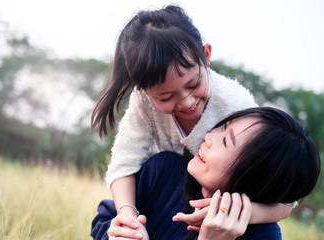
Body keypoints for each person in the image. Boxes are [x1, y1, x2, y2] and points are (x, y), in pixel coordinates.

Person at [90, 4, 292, 232]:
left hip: (223, 207)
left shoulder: (237, 106)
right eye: (165, 96)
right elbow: (124, 163)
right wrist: (130, 219)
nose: (186, 102)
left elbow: (285, 199)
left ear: (206, 56)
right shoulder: (144, 106)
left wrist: (237, 211)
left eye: (193, 84)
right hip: (169, 190)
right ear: (145, 91)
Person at [92, 107, 321, 240]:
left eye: (225, 141)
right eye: (222, 126)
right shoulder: (164, 170)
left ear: (255, 176)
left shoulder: (263, 235)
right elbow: (103, 220)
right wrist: (117, 234)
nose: (208, 137)